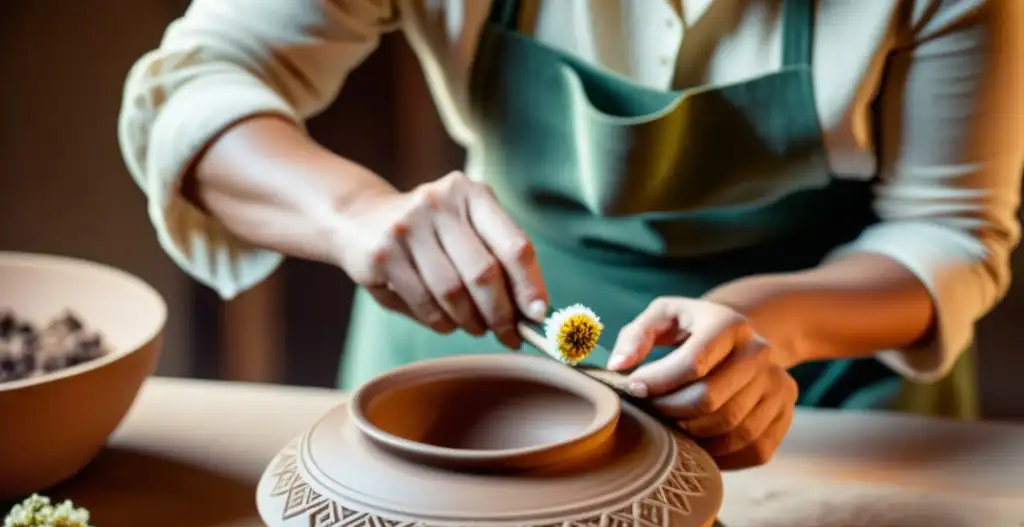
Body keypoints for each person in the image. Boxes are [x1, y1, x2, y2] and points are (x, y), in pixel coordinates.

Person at [118, 0, 1023, 470]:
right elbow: (193, 89)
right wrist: (354, 215)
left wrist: (764, 324)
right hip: (478, 347)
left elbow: (949, 232)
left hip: (808, 385)